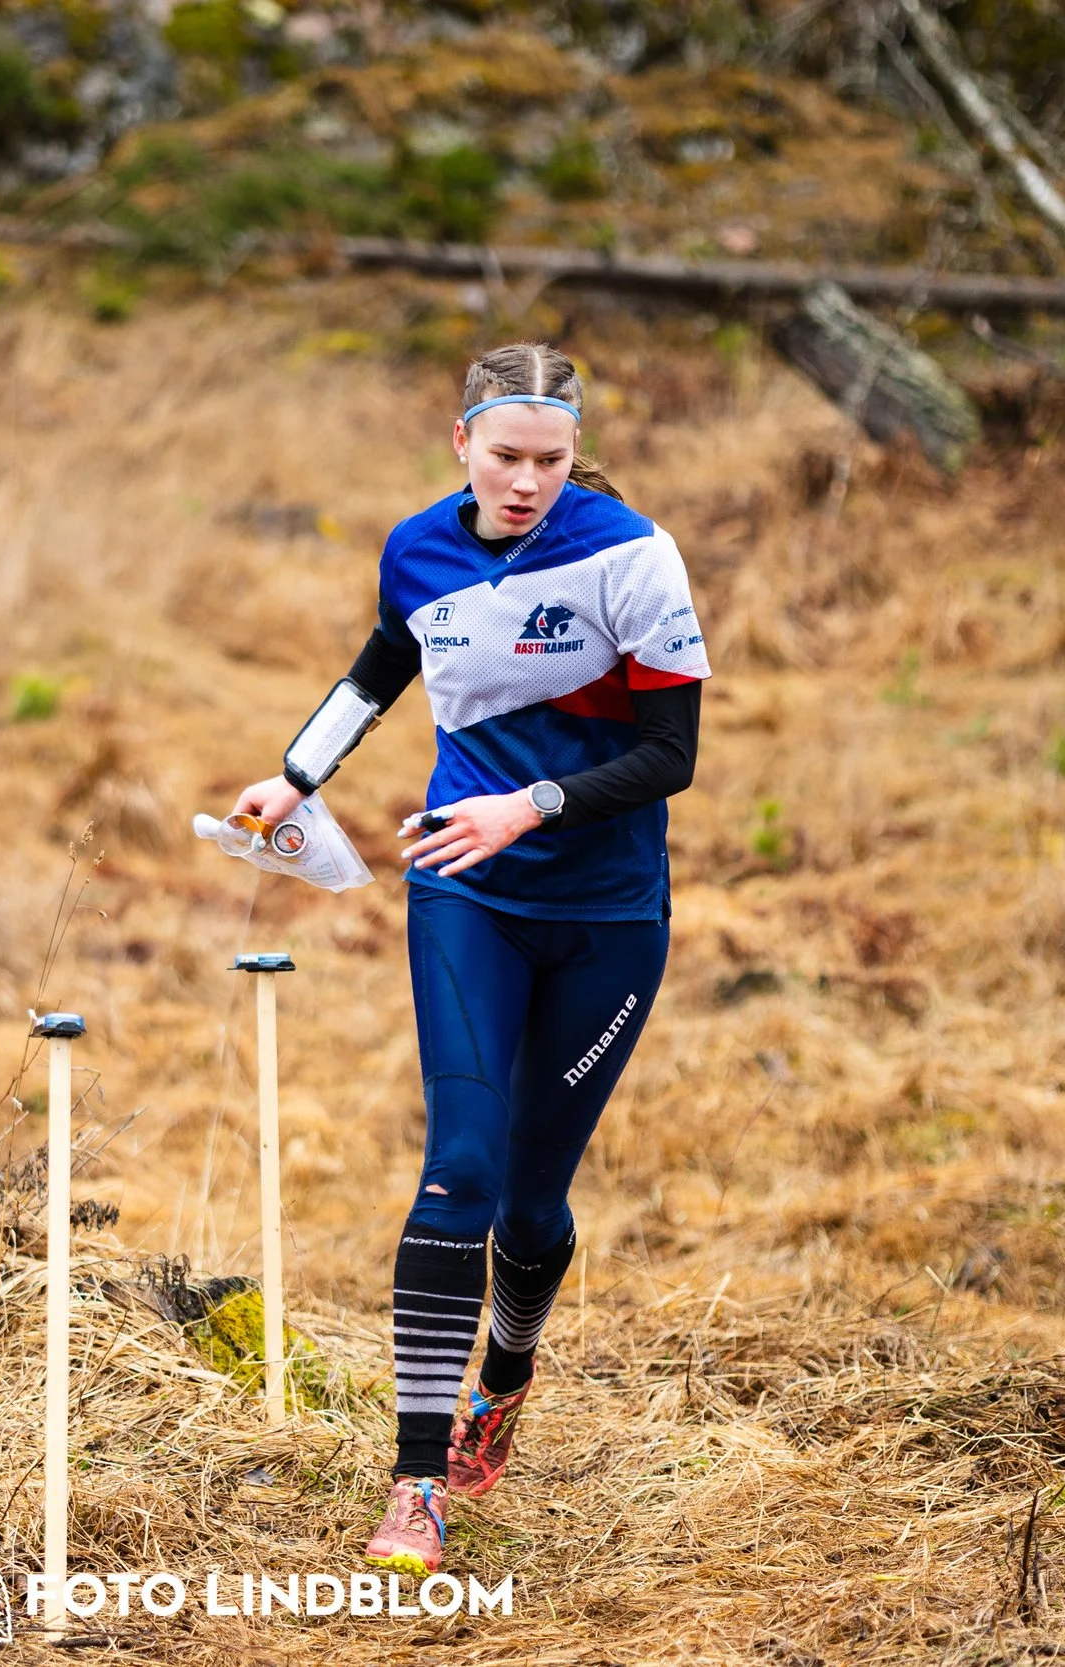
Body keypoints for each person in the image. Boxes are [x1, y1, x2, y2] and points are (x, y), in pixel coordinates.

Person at [230, 342, 708, 1575]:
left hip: (607, 912)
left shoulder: (629, 554)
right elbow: (389, 656)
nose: (527, 482)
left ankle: (507, 1366)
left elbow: (670, 756)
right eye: (505, 457)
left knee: (534, 1206)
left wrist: (533, 800)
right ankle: (416, 1483)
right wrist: (293, 774)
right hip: (463, 890)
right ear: (461, 443)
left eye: (550, 460)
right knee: (460, 1173)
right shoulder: (417, 546)